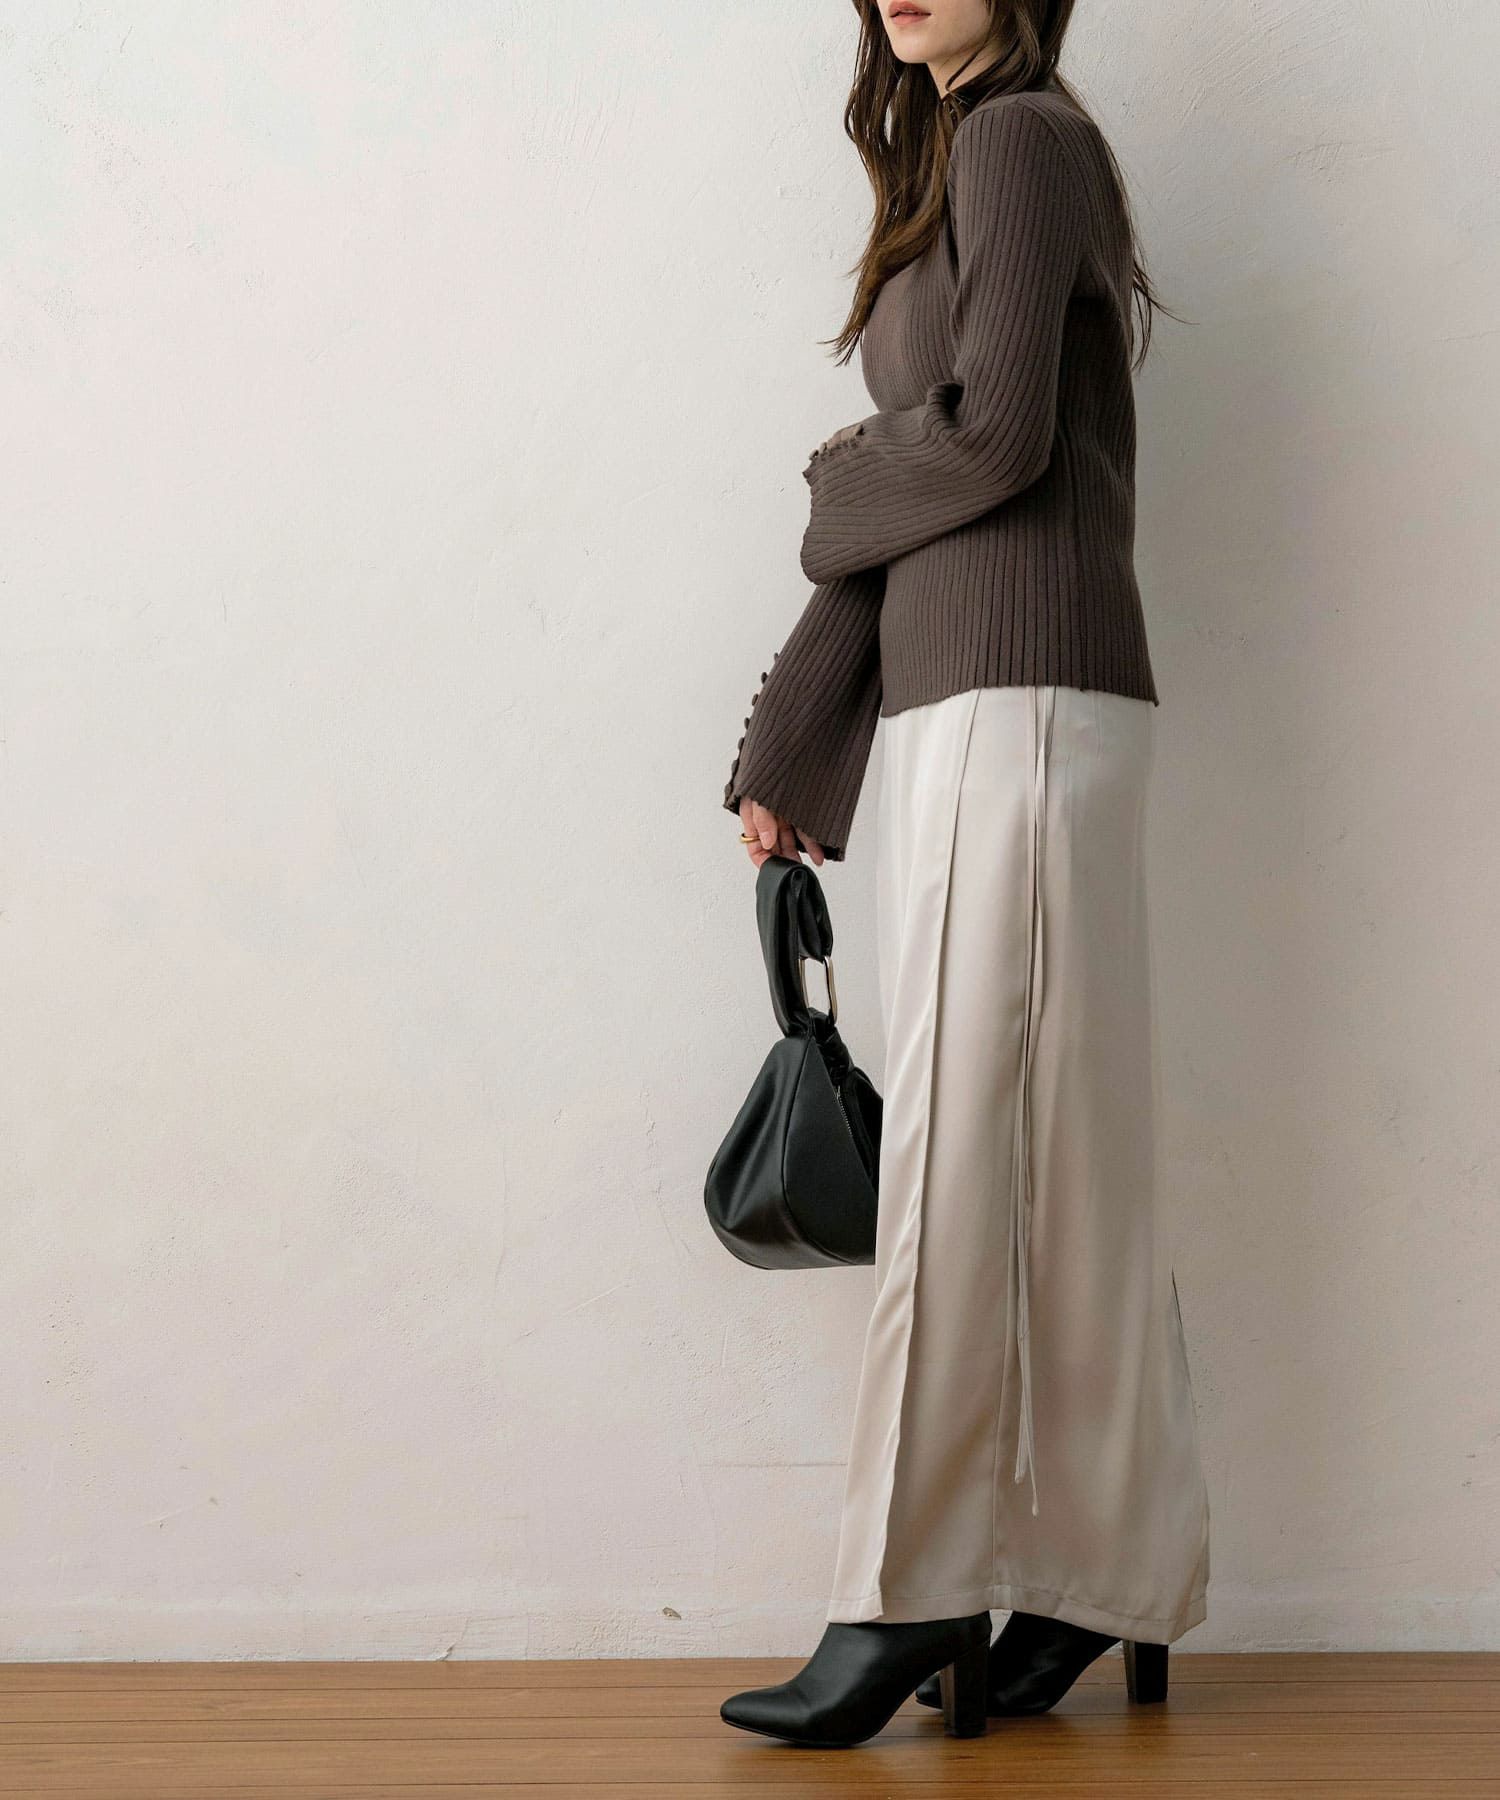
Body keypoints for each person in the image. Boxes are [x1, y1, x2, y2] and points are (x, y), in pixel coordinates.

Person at [716, 0, 1212, 1751]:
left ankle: (908, 1586)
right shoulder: (960, 159)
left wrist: (835, 480)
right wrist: (795, 737)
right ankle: (1100, 1576)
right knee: (1062, 1170)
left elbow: (989, 445)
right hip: (981, 699)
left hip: (1021, 703)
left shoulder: (1019, 138)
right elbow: (927, 501)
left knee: (956, 1164)